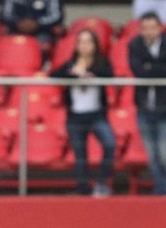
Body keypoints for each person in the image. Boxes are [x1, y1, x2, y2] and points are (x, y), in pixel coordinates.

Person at [49, 30, 117, 197]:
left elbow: (110, 75)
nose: (85, 45)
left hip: (97, 115)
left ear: (95, 45)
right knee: (80, 154)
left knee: (110, 144)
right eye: (81, 42)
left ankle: (102, 182)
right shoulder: (71, 64)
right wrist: (73, 74)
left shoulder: (101, 63)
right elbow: (53, 75)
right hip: (75, 116)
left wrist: (91, 75)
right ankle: (83, 188)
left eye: (88, 42)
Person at [128, 12, 166, 195]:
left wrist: (151, 68)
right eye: (144, 28)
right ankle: (161, 191)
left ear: (160, 28)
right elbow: (138, 70)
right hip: (145, 108)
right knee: (152, 156)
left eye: (152, 27)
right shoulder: (135, 44)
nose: (148, 31)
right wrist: (165, 71)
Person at [0, 0, 64, 49]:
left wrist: (38, 24)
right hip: (16, 30)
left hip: (43, 31)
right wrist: (18, 23)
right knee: (11, 47)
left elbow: (57, 16)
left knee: (44, 46)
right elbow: (4, 15)